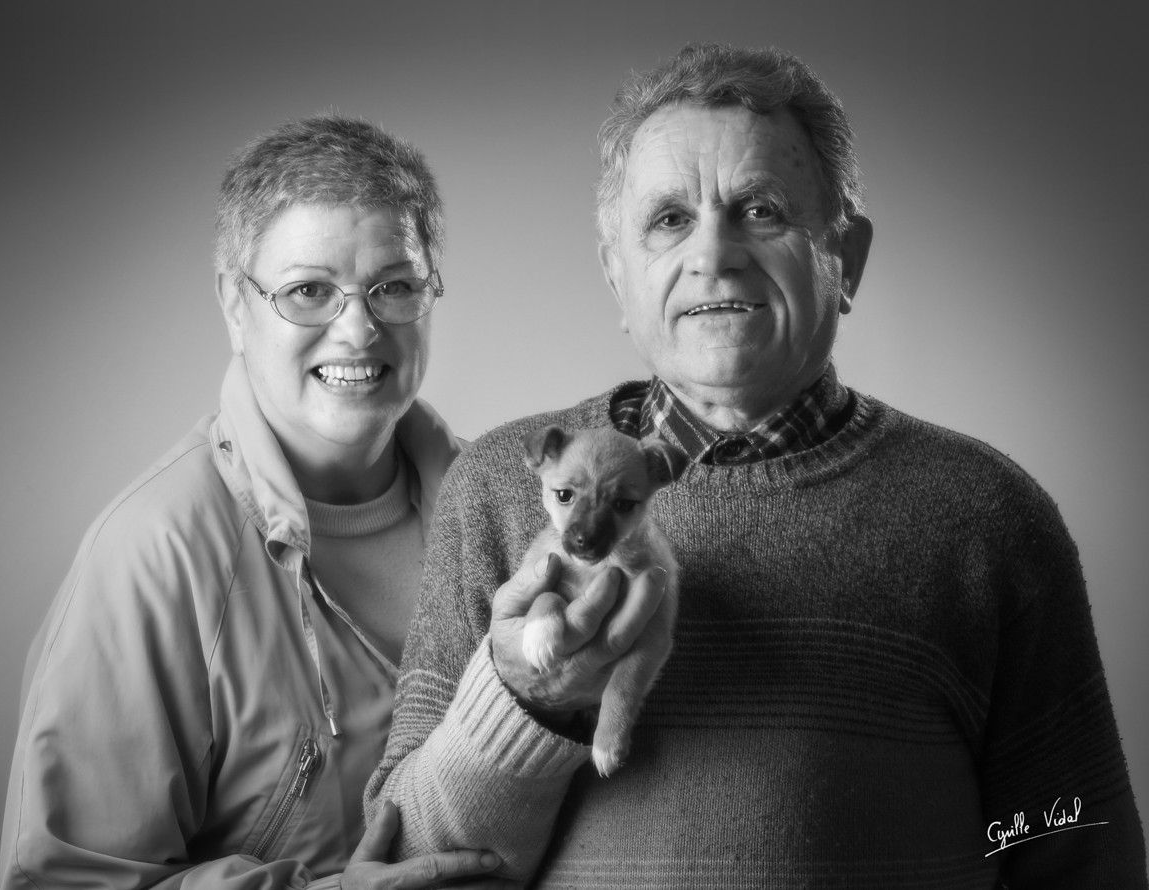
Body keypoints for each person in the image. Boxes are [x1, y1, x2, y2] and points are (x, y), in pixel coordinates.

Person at [365, 45, 1148, 887]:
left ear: (845, 259)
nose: (714, 254)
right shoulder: (493, 488)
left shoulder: (990, 517)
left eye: (761, 210)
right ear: (617, 275)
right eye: (669, 221)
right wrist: (524, 697)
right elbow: (398, 860)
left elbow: (1072, 855)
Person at [0, 116, 510, 888]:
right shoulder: (154, 553)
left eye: (393, 286)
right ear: (235, 305)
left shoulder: (509, 511)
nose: (359, 329)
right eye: (309, 291)